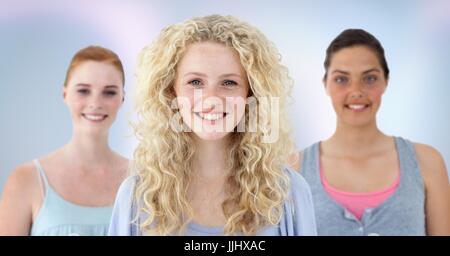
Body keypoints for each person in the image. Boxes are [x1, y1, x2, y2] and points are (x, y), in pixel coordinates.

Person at [108, 15, 317, 236]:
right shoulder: (137, 196)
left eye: (229, 83)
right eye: (195, 82)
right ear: (171, 92)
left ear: (251, 94)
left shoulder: (288, 192)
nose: (211, 99)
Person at [292, 29, 450, 235]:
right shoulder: (294, 169)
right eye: (342, 79)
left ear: (386, 81)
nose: (356, 91)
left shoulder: (427, 162)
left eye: (369, 78)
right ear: (326, 84)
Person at [0, 46, 129, 235]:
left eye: (109, 92)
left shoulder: (144, 178)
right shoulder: (26, 180)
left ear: (122, 98)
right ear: (65, 94)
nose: (95, 103)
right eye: (83, 91)